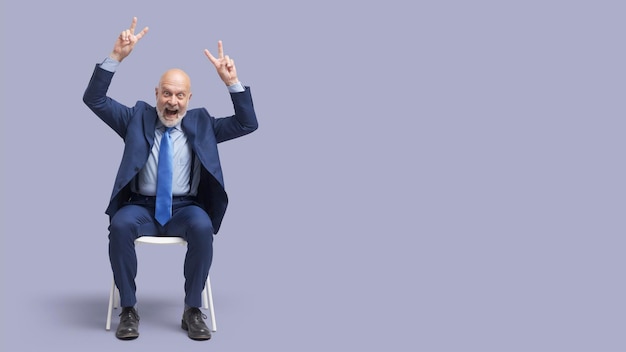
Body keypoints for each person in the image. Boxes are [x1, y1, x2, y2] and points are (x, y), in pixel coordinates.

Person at [83, 17, 258, 341]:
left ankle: (193, 309)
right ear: (156, 94)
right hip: (140, 207)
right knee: (120, 226)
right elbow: (94, 100)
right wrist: (115, 57)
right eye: (166, 94)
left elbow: (247, 124)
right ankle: (129, 309)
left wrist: (232, 83)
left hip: (185, 208)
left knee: (203, 226)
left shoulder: (203, 123)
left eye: (179, 96)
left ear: (189, 99)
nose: (172, 102)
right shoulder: (136, 117)